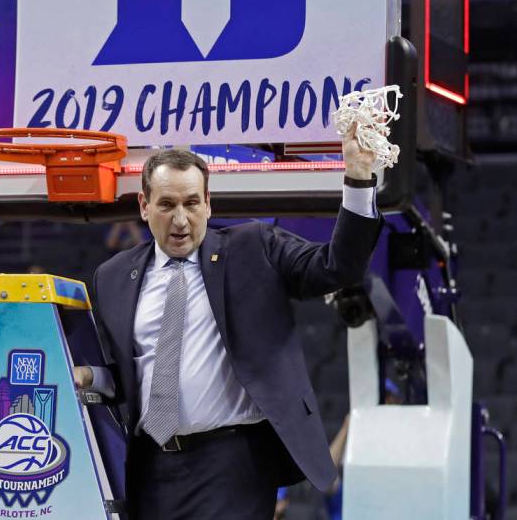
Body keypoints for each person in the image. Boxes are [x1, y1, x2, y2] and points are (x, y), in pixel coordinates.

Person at [74, 128, 383, 519]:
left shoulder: (254, 248)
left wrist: (357, 178)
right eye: (167, 204)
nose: (181, 219)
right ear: (143, 205)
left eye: (191, 202)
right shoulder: (113, 276)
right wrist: (90, 377)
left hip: (234, 464)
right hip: (150, 468)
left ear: (208, 203)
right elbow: (129, 375)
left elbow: (337, 267)